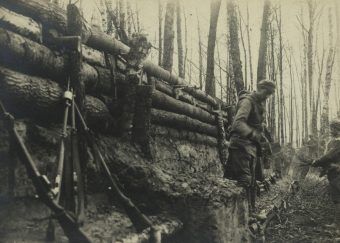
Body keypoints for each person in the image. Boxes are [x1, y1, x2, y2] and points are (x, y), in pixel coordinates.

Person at [226, 80, 276, 213]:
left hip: (250, 148)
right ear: (260, 88)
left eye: (270, 94)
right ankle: (240, 217)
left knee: (252, 183)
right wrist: (253, 134)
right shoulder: (247, 101)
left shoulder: (258, 104)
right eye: (267, 92)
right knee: (244, 180)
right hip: (241, 145)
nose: (267, 96)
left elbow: (257, 126)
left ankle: (251, 213)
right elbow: (237, 124)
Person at [311, 119, 340, 232]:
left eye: (333, 128)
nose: (331, 130)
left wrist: (316, 162)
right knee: (337, 199)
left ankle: (337, 225)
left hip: (337, 173)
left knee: (338, 198)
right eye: (331, 128)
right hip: (333, 173)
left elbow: (328, 156)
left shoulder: (337, 142)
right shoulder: (333, 141)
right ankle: (337, 224)